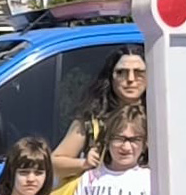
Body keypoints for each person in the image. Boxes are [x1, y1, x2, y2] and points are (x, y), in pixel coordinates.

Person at [62, 40, 150, 168]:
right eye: (121, 72)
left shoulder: (162, 118)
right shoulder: (91, 120)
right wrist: (84, 163)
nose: (130, 79)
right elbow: (56, 162)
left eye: (139, 72)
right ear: (110, 77)